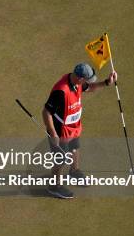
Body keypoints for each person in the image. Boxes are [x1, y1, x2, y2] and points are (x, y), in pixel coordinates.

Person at [42, 63, 117, 199]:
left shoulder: (77, 82)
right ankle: (54, 187)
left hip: (73, 127)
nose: (88, 82)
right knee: (60, 160)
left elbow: (90, 88)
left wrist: (106, 83)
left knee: (75, 149)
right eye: (87, 80)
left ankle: (74, 171)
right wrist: (53, 133)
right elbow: (46, 112)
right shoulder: (61, 90)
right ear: (81, 78)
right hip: (60, 131)